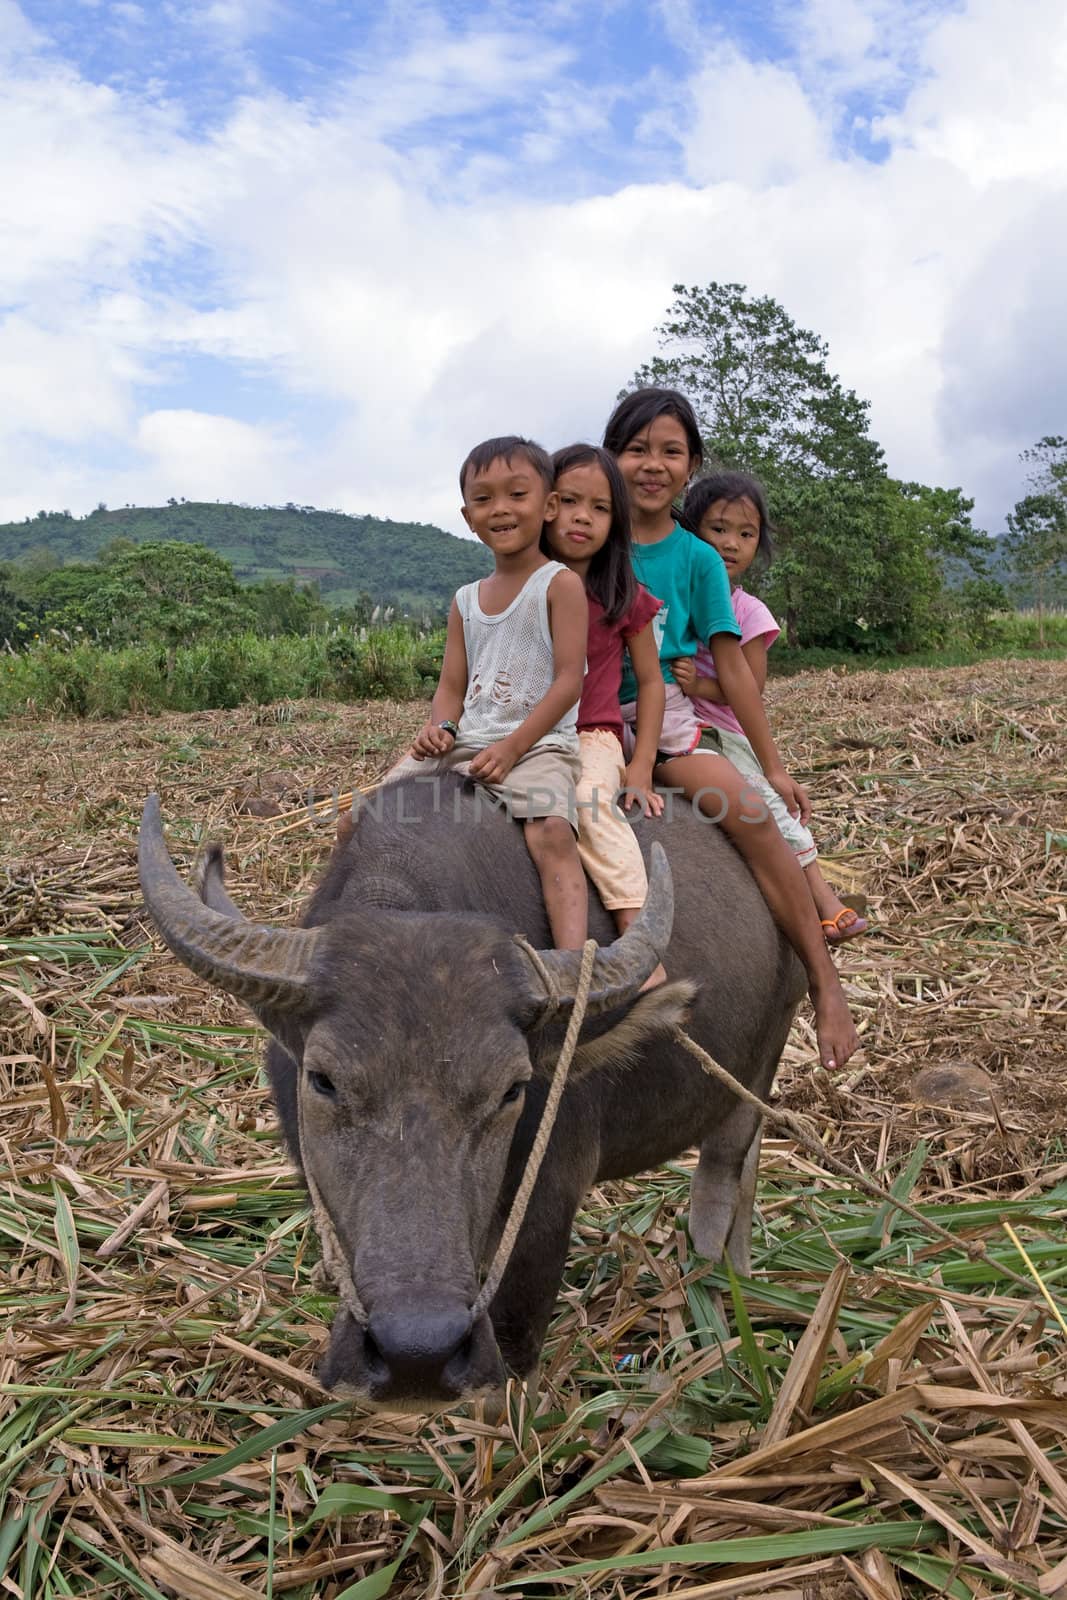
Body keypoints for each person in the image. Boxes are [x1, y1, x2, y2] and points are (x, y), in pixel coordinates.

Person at [602, 386, 859, 1071]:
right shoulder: (588, 535)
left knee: (747, 809)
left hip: (667, 722)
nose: (651, 465)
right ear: (610, 456)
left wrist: (771, 767)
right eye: (635, 450)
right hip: (587, 718)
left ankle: (822, 982)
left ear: (689, 468)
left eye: (669, 452)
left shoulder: (696, 559)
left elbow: (735, 672)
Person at [393, 435, 589, 950]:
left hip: (537, 747)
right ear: (467, 516)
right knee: (361, 818)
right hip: (469, 741)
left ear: (548, 506)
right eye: (483, 499)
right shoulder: (464, 600)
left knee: (551, 832)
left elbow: (570, 679)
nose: (500, 509)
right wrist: (440, 729)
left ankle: (575, 965)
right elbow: (452, 687)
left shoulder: (559, 585)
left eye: (516, 494)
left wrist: (512, 747)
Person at [676, 471, 869, 945]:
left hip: (722, 730)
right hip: (671, 724)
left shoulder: (750, 612)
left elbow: (750, 687)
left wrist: (700, 682)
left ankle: (820, 897)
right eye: (718, 529)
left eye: (746, 534)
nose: (730, 544)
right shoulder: (674, 597)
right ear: (690, 531)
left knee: (764, 805)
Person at [542, 443, 667, 985]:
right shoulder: (525, 586)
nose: (581, 518)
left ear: (615, 521)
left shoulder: (623, 595)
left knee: (591, 805)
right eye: (569, 500)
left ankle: (640, 941)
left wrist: (639, 767)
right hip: (523, 730)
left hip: (591, 734)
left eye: (598, 508)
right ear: (545, 505)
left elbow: (652, 682)